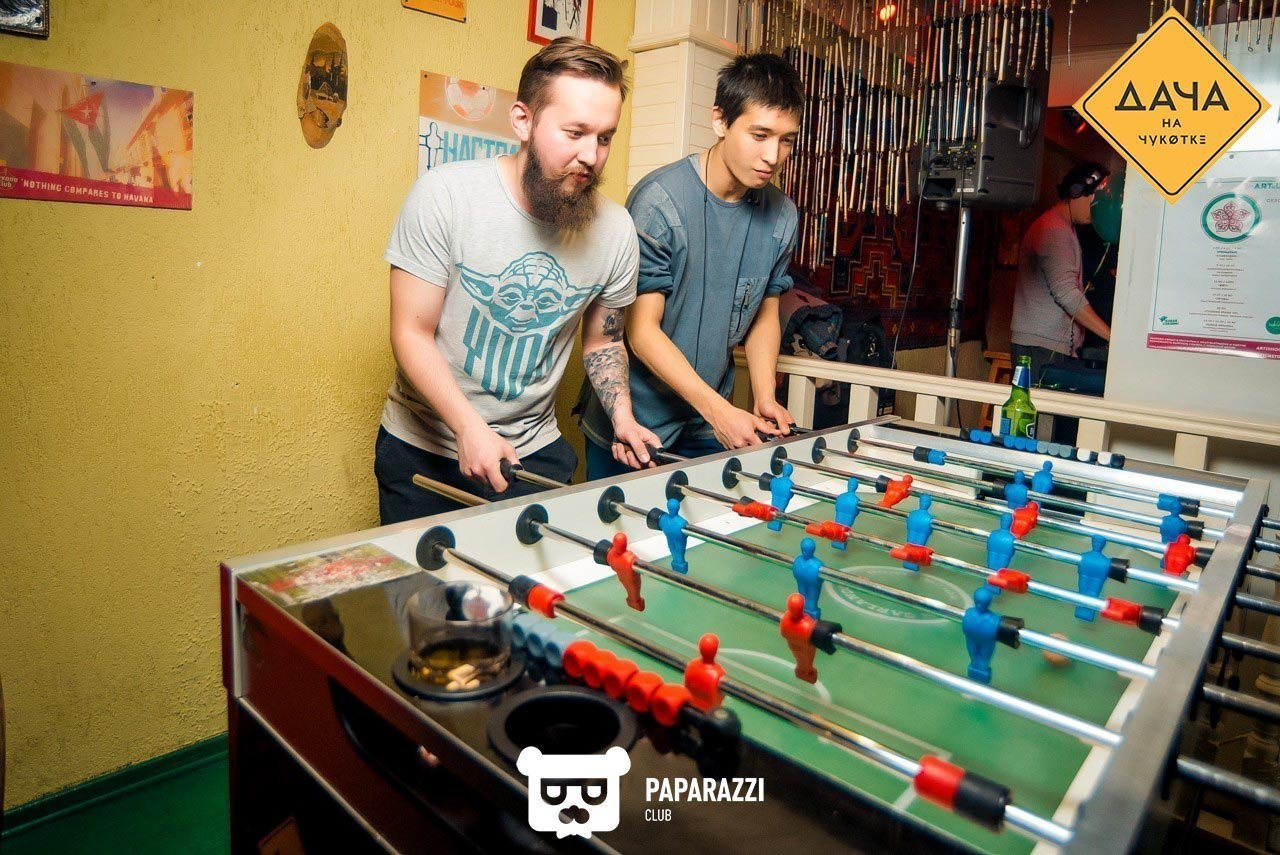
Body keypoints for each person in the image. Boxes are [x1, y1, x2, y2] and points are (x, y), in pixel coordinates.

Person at [375, 38, 659, 524]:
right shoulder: (445, 196)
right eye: (575, 133)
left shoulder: (616, 232)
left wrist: (623, 417)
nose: (591, 155)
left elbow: (603, 343)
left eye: (605, 137)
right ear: (523, 120)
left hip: (534, 452)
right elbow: (411, 333)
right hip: (425, 449)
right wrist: (468, 428)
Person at [577, 52, 804, 479]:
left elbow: (764, 314)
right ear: (720, 120)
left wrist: (764, 395)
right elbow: (641, 332)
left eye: (786, 140)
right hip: (636, 423)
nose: (773, 155)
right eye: (759, 135)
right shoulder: (659, 203)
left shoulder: (783, 216)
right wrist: (720, 411)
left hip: (708, 421)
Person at [1010, 161, 1113, 384]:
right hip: (1040, 348)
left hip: (1045, 346)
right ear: (1077, 192)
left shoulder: (1063, 227)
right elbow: (1067, 294)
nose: (1100, 208)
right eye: (1096, 199)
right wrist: (1112, 337)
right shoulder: (1054, 230)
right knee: (1035, 408)